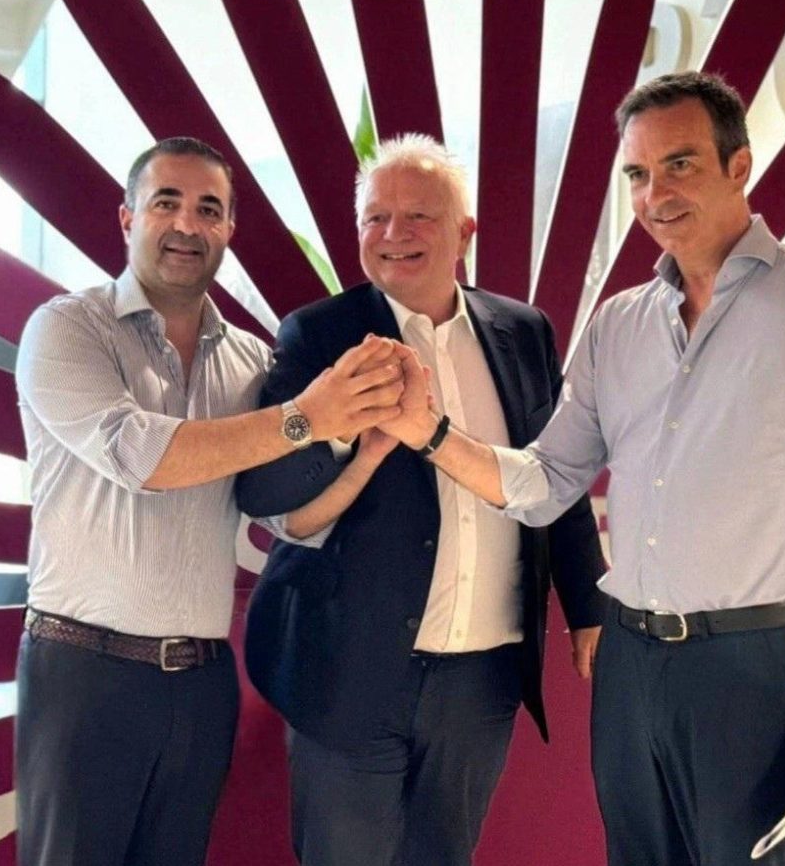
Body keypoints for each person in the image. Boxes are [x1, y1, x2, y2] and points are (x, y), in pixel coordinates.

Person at [373, 73, 785, 865]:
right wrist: (429, 433)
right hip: (629, 666)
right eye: (637, 173)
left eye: (680, 164)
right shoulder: (617, 325)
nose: (655, 194)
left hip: (753, 666)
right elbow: (544, 482)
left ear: (739, 166)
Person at [13, 136, 405, 866]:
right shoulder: (67, 328)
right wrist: (305, 418)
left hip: (201, 684)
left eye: (208, 209)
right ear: (128, 217)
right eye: (167, 202)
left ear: (229, 229)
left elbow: (287, 520)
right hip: (84, 675)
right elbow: (142, 458)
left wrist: (362, 449)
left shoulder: (253, 361)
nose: (187, 225)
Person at [235, 134, 607, 866]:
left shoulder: (523, 332)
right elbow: (266, 492)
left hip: (482, 676)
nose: (393, 234)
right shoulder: (319, 334)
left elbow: (555, 475)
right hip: (347, 668)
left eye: (418, 217)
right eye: (376, 218)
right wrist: (335, 421)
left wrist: (588, 603)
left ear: (464, 233)